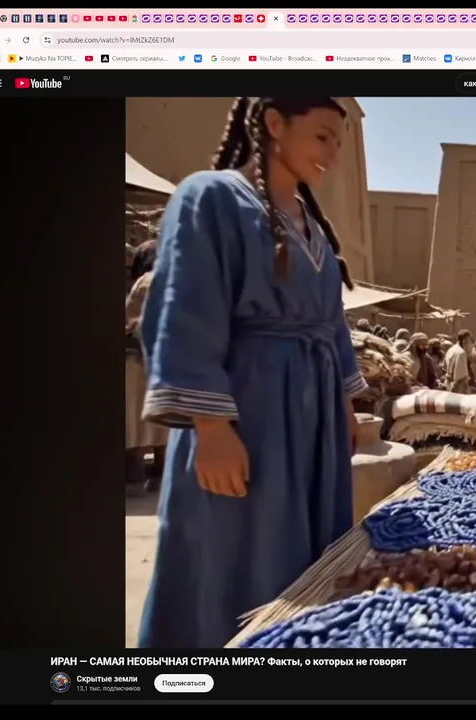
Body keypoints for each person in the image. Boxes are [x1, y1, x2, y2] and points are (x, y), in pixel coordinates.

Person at [138, 97, 364, 648]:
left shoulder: (313, 228)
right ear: (273, 123)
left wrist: (344, 405)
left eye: (338, 142)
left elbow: (332, 326)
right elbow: (185, 309)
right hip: (249, 412)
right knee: (234, 558)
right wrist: (211, 428)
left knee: (307, 563)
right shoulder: (210, 198)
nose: (332, 154)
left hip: (314, 425)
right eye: (322, 136)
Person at [125, 240, 168, 492]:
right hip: (169, 362)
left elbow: (130, 317)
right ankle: (160, 475)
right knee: (164, 424)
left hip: (140, 360)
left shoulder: (146, 282)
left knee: (135, 421)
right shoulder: (179, 277)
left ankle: (134, 475)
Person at [443, 329, 476, 393]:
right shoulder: (461, 353)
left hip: (448, 387)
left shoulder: (450, 350)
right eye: (470, 342)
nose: (472, 345)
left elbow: (444, 368)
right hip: (457, 392)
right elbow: (461, 381)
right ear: (464, 341)